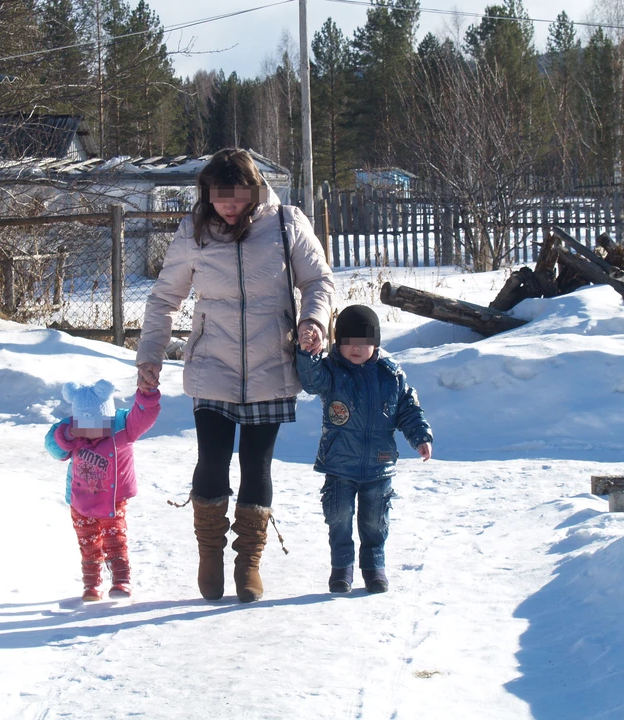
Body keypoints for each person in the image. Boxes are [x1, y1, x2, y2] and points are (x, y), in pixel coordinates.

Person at [136, 148, 335, 603]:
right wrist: (150, 355)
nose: (228, 203)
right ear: (206, 193)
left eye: (237, 193)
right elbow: (164, 298)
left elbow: (319, 281)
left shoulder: (286, 222)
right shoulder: (194, 230)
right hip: (213, 365)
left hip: (272, 362)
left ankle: (249, 561)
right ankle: (210, 554)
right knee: (211, 460)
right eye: (218, 195)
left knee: (256, 464)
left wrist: (314, 322)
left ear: (254, 187)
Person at [296, 304, 433, 594]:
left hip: (379, 464)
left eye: (364, 344)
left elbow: (408, 409)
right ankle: (341, 567)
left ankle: (374, 567)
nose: (355, 350)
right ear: (339, 343)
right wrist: (309, 354)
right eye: (348, 343)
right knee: (338, 516)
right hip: (339, 463)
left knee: (375, 520)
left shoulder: (390, 375)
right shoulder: (331, 371)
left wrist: (420, 436)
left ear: (376, 343)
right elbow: (310, 381)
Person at [45, 379, 161, 601]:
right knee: (87, 542)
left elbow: (144, 416)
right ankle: (91, 584)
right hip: (80, 499)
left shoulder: (123, 426)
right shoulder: (72, 429)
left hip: (112, 499)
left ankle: (121, 580)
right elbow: (53, 447)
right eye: (85, 425)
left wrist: (147, 395)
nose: (91, 432)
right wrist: (67, 434)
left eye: (98, 424)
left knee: (114, 537)